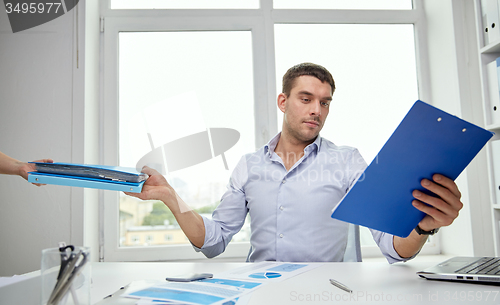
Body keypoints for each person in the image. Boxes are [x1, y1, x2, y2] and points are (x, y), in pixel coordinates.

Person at [126, 63, 463, 263]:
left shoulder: (347, 161)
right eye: (306, 99)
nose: (317, 109)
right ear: (283, 102)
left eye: (325, 102)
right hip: (260, 292)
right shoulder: (248, 166)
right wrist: (171, 196)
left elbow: (392, 247)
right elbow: (213, 240)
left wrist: (423, 226)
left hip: (325, 295)